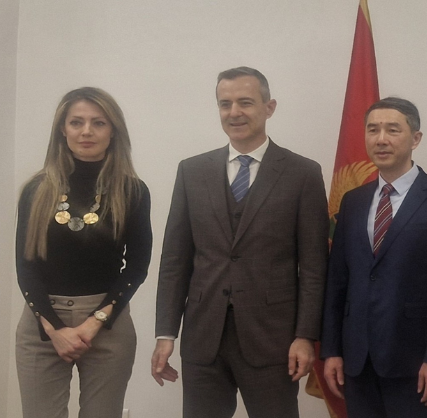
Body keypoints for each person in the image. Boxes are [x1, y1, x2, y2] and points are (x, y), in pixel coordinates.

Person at [151, 66, 329, 418]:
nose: (234, 112)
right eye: (225, 104)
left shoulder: (303, 173)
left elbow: (313, 266)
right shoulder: (192, 171)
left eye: (245, 102)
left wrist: (305, 335)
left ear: (269, 107)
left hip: (273, 339)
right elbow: (175, 260)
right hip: (204, 336)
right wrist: (165, 333)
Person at [321, 97, 427, 417]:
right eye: (373, 130)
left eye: (392, 130)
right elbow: (337, 281)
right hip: (357, 360)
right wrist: (331, 350)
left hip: (414, 363)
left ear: (415, 138)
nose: (381, 139)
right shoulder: (353, 201)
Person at [15, 87, 152, 418]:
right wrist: (54, 329)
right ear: (62, 130)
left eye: (98, 123)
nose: (86, 131)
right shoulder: (36, 189)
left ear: (113, 130)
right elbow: (26, 266)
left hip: (107, 323)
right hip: (42, 323)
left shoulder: (132, 191)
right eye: (76, 122)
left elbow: (137, 266)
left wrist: (95, 322)